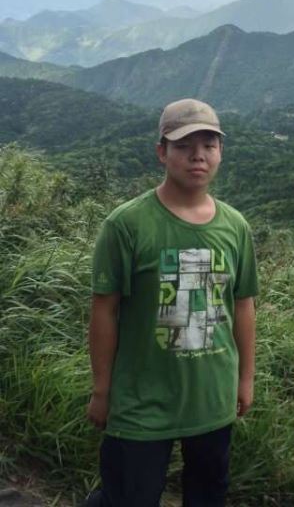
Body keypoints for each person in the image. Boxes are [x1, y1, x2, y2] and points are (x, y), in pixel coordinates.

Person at [85, 98, 258, 507]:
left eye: (209, 145)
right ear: (161, 152)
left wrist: (245, 379)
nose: (198, 156)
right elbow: (104, 310)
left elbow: (243, 305)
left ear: (220, 152)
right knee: (127, 497)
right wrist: (102, 390)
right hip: (141, 401)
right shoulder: (126, 225)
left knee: (208, 495)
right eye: (184, 146)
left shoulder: (235, 227)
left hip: (212, 398)